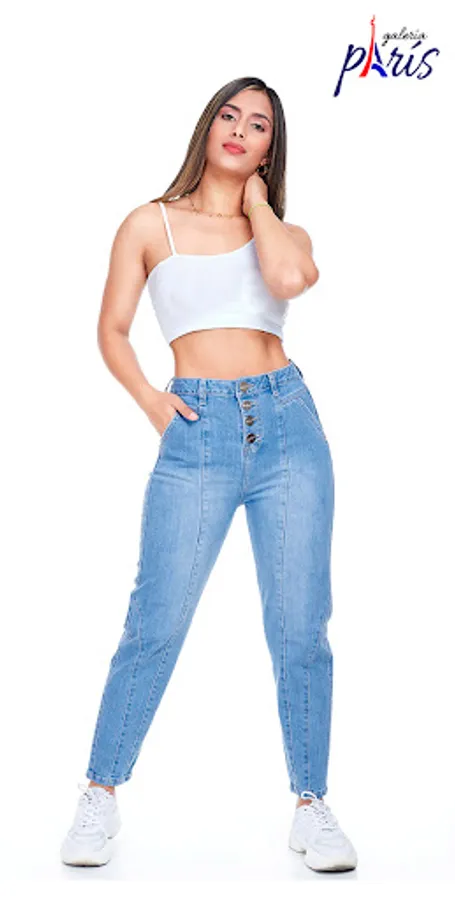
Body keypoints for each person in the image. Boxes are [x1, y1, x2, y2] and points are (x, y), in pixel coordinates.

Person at [60, 76, 357, 873]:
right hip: (196, 430)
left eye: (258, 126)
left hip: (288, 426)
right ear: (207, 125)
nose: (239, 129)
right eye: (229, 115)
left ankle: (311, 805)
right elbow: (112, 329)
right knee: (156, 620)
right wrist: (151, 402)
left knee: (300, 627)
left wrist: (256, 203)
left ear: (268, 150)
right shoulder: (148, 222)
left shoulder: (281, 233)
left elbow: (287, 281)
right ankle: (100, 792)